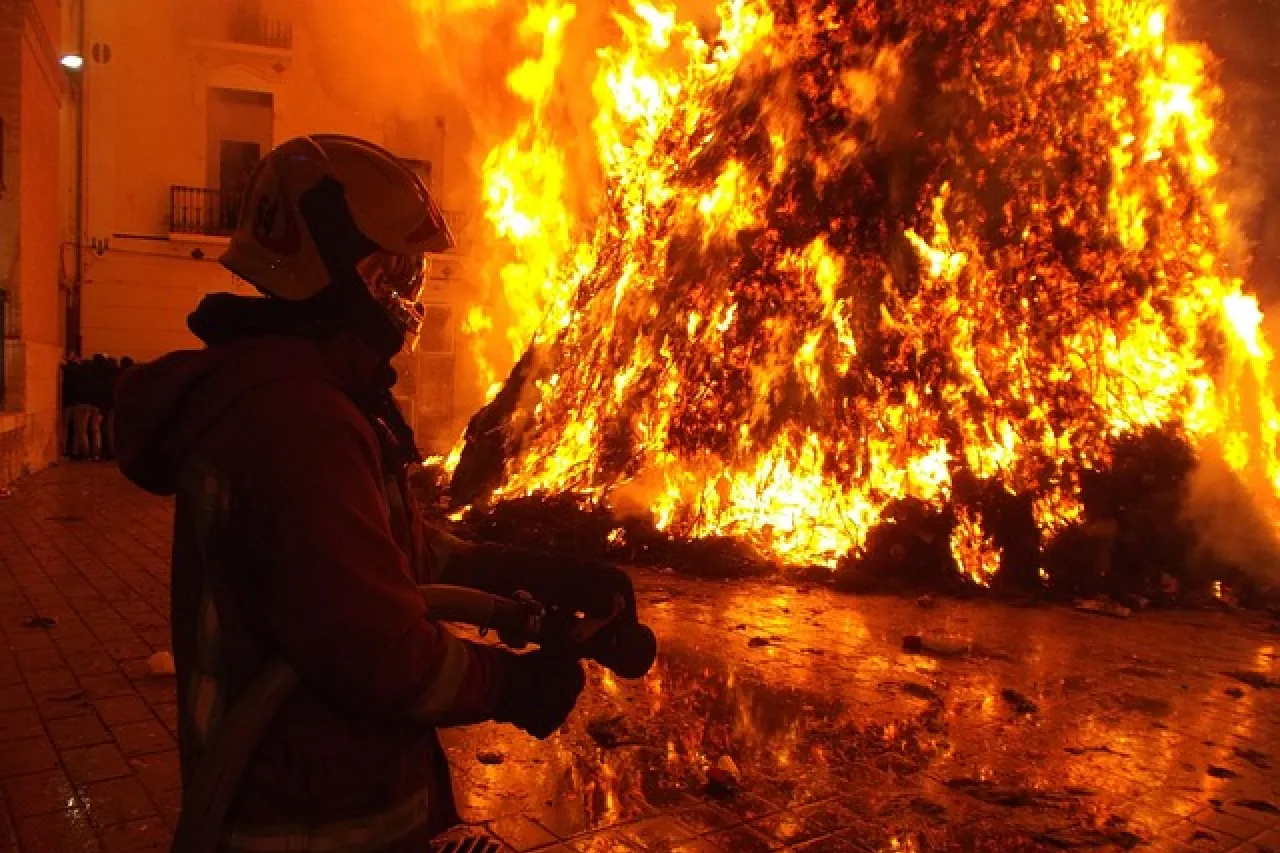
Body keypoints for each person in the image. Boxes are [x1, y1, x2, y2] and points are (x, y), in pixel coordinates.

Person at [112, 136, 613, 853]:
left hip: (316, 797)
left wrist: (512, 572)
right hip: (311, 819)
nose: (407, 297)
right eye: (392, 274)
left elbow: (374, 550)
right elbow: (379, 650)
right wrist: (511, 686)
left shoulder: (292, 393)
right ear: (331, 273)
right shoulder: (295, 423)